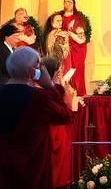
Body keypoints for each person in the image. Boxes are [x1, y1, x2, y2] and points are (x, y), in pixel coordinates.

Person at [0, 47, 73, 189]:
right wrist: (50, 86)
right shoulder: (40, 98)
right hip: (33, 171)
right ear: (32, 71)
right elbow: (65, 116)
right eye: (38, 65)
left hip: (0, 170)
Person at [40, 55, 79, 189]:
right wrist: (70, 94)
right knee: (59, 166)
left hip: (45, 130)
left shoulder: (38, 88)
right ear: (55, 72)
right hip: (58, 130)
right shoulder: (57, 90)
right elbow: (68, 111)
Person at [52, 0, 89, 95]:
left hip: (77, 48)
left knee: (77, 70)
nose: (67, 3)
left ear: (73, 4)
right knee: (64, 69)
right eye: (65, 1)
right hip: (64, 47)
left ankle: (78, 93)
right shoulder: (59, 18)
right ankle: (65, 92)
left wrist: (71, 33)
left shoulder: (77, 19)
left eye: (70, 2)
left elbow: (81, 37)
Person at [0, 24, 20, 89]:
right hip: (2, 89)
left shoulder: (12, 50)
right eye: (15, 37)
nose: (18, 40)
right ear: (6, 37)